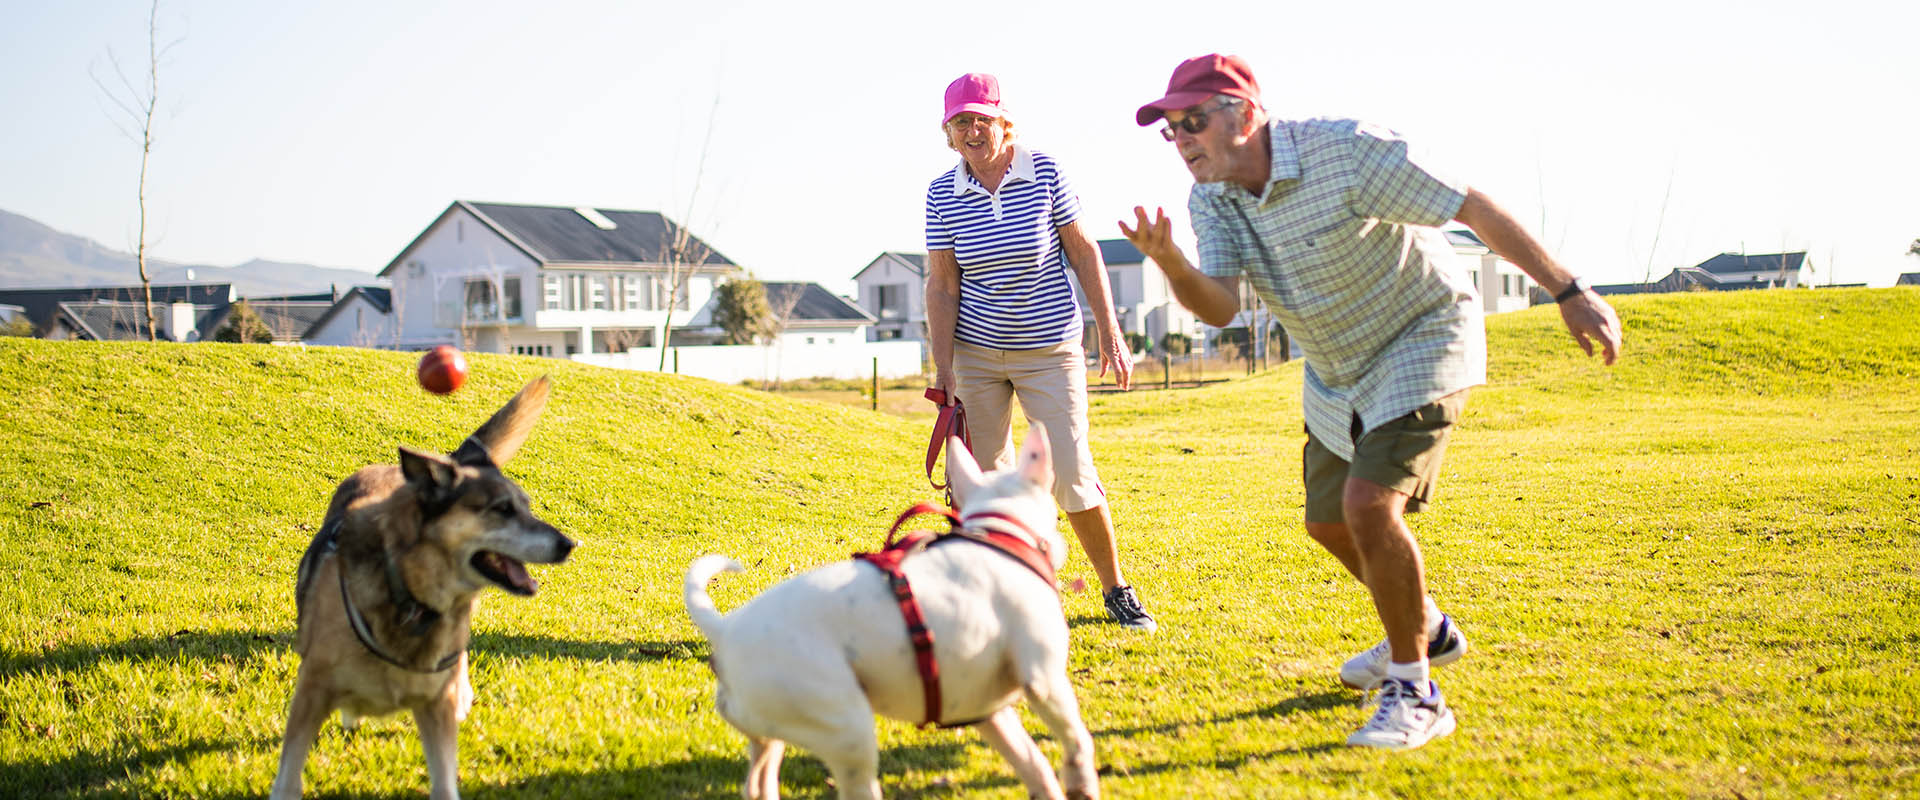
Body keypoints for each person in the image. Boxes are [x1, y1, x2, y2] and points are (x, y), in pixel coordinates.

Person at [1121, 54, 1622, 748]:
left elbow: (1469, 204)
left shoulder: (1347, 150)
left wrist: (1568, 289)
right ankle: (1425, 628)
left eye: (1194, 121)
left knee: (1368, 507)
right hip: (1336, 370)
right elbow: (1220, 308)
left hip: (1423, 336)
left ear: (1246, 113)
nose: (1181, 140)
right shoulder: (1212, 198)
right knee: (1328, 522)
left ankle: (1417, 691)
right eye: (1171, 129)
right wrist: (1173, 265)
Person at [925, 72, 1156, 631]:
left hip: (1049, 348)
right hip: (976, 353)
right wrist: (944, 366)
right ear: (949, 132)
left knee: (1071, 470)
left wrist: (1110, 331)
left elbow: (1083, 251)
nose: (973, 130)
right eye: (961, 122)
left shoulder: (1045, 171)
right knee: (980, 481)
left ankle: (1115, 590)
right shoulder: (940, 193)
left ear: (1004, 123)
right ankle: (998, 598)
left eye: (983, 119)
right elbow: (943, 284)